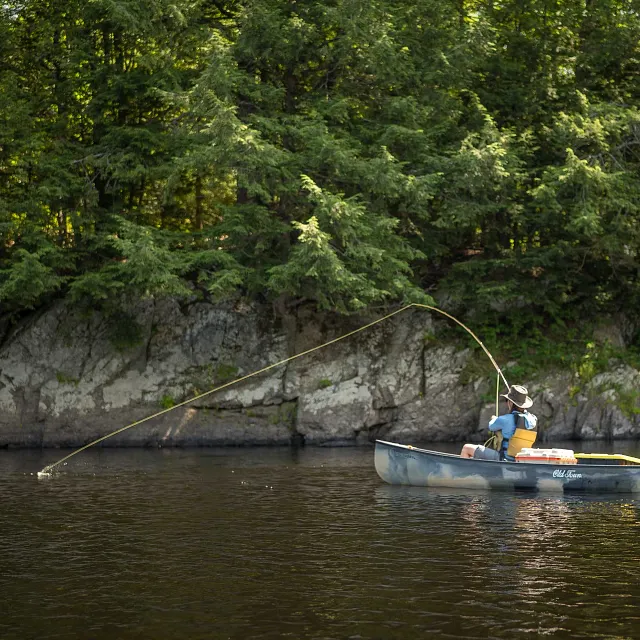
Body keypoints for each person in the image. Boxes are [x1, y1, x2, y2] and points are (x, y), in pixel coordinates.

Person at [461, 385, 538, 461]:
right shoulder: (533, 419)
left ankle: (462, 473)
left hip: (504, 459)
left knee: (466, 448)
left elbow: (491, 426)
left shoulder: (504, 419)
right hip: (521, 460)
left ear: (510, 403)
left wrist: (494, 419)